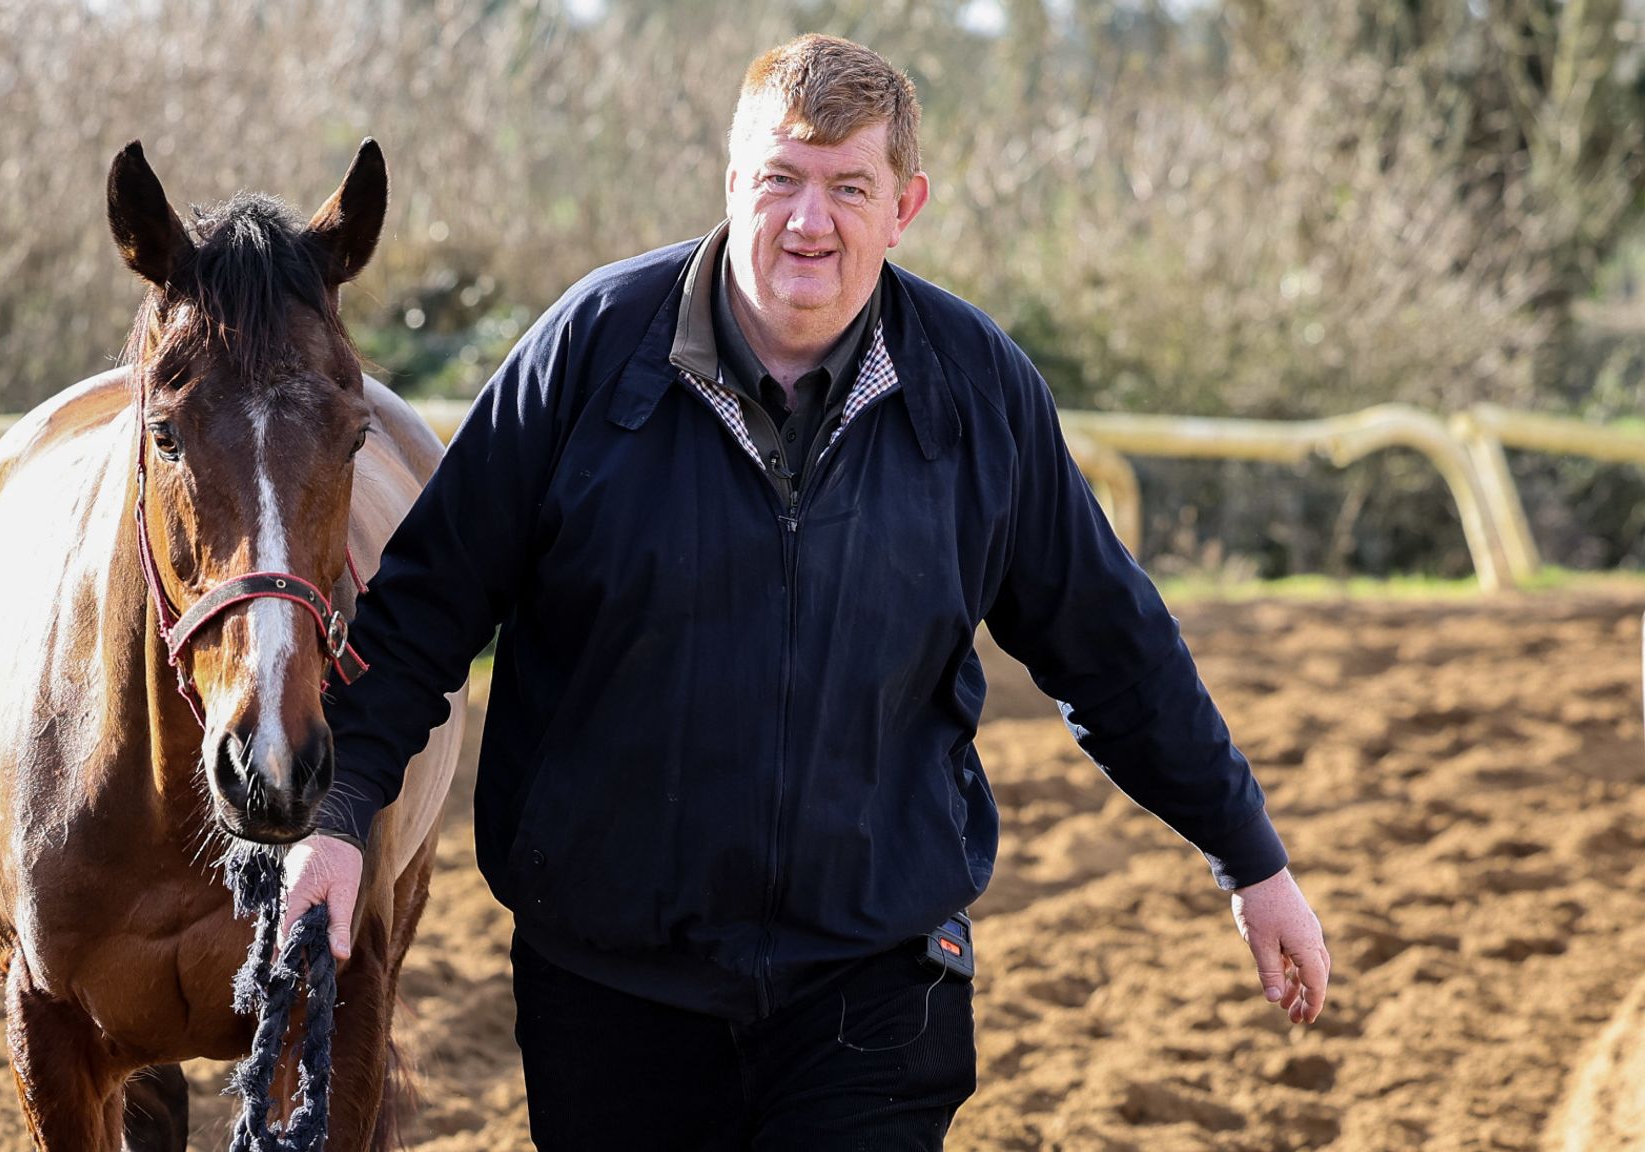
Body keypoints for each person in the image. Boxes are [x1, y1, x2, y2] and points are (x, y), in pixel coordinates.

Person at [286, 33, 1331, 1150]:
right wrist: (341, 816)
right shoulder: (588, 353)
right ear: (731, 181)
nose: (806, 221)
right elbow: (420, 611)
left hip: (874, 979)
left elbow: (1112, 646)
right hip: (610, 984)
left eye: (847, 187)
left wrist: (1249, 856)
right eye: (779, 179)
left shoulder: (976, 393)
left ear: (903, 206)